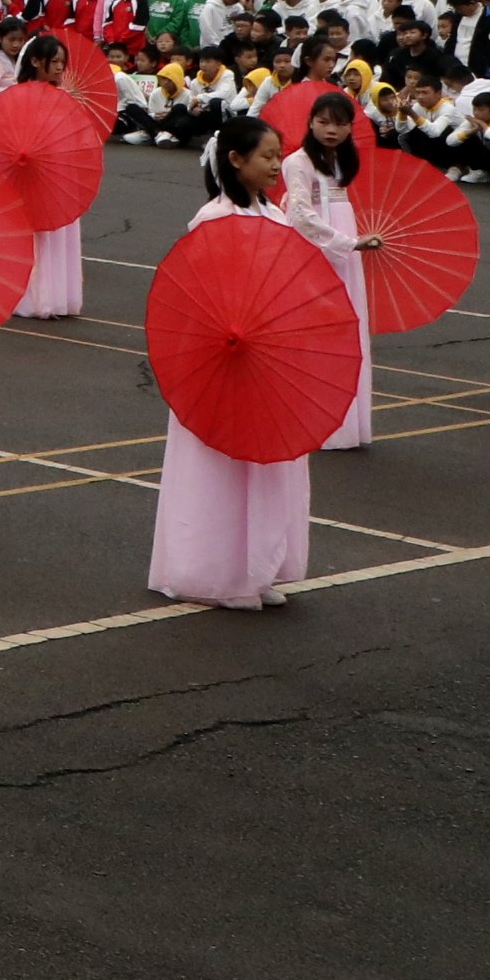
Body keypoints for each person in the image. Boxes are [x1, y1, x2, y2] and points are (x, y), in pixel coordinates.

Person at [150, 118, 323, 609]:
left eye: (278, 155)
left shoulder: (278, 217)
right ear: (235, 160)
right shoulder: (212, 218)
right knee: (223, 461)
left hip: (267, 356)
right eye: (266, 156)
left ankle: (258, 567)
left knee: (265, 461)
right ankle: (216, 571)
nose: (275, 165)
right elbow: (200, 294)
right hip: (223, 358)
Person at [284, 88, 383, 451]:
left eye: (340, 124)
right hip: (314, 249)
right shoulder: (298, 162)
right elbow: (299, 213)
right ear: (310, 123)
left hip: (344, 247)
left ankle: (342, 421)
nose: (331, 130)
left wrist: (352, 242)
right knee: (313, 329)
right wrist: (346, 242)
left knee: (346, 327)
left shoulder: (342, 162)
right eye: (323, 122)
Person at [4, 35, 85, 320]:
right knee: (34, 235)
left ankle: (57, 296)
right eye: (54, 62)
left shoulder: (65, 97)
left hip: (59, 173)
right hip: (29, 171)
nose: (60, 68)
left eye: (63, 62)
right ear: (36, 61)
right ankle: (32, 297)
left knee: (56, 233)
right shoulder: (17, 96)